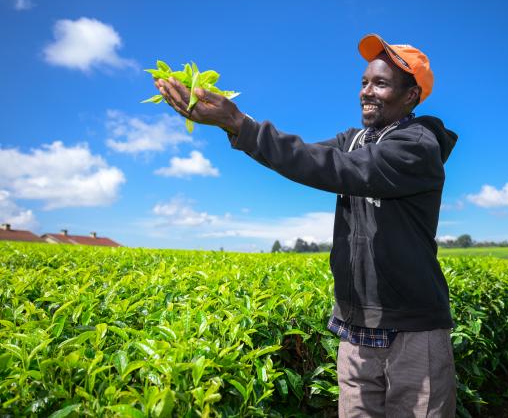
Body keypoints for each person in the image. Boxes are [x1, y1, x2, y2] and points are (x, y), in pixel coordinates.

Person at [155, 33, 458, 417]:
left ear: (411, 96)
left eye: (381, 84)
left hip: (412, 332)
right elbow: (304, 156)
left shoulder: (417, 146)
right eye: (364, 82)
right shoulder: (355, 140)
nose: (367, 91)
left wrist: (239, 122)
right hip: (357, 329)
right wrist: (233, 125)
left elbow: (333, 169)